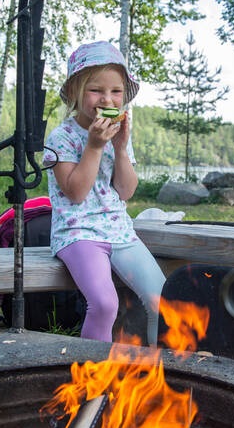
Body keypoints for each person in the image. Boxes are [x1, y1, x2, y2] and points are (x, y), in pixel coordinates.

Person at [43, 40, 164, 345]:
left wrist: (121, 149)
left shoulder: (116, 133)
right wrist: (95, 146)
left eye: (116, 92)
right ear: (75, 92)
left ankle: (156, 374)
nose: (107, 99)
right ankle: (93, 379)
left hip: (119, 230)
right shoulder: (62, 137)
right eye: (96, 90)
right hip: (78, 232)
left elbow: (125, 191)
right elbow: (76, 193)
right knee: (105, 304)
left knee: (161, 298)